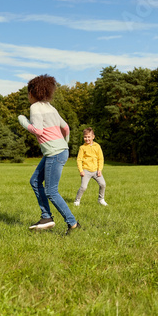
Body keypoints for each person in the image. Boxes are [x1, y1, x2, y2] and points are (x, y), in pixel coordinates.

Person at [18, 74, 81, 235]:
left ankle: (73, 224)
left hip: (55, 153)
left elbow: (37, 130)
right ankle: (46, 217)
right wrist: (64, 144)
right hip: (59, 151)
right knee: (35, 181)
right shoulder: (50, 107)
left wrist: (23, 120)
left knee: (51, 191)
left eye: (28, 93)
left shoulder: (35, 108)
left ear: (32, 93)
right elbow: (66, 127)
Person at [74, 127, 107, 206]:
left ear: (93, 137)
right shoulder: (82, 148)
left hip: (96, 170)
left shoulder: (97, 146)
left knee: (103, 184)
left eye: (89, 137)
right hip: (86, 170)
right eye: (85, 137)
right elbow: (79, 160)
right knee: (83, 187)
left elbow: (100, 159)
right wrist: (81, 170)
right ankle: (77, 201)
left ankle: (101, 199)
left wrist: (99, 169)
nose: (87, 138)